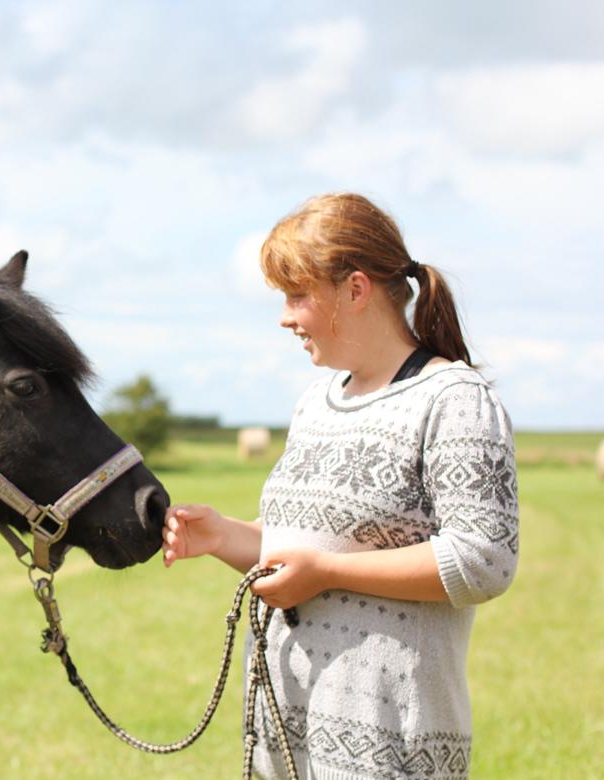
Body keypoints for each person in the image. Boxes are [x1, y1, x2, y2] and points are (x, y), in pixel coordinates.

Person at [162, 193, 518, 779]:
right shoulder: (317, 404)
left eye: (297, 295)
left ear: (356, 291)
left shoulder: (453, 400)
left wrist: (328, 574)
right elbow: (302, 547)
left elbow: (483, 560)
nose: (285, 315)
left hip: (388, 747)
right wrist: (226, 536)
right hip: (288, 731)